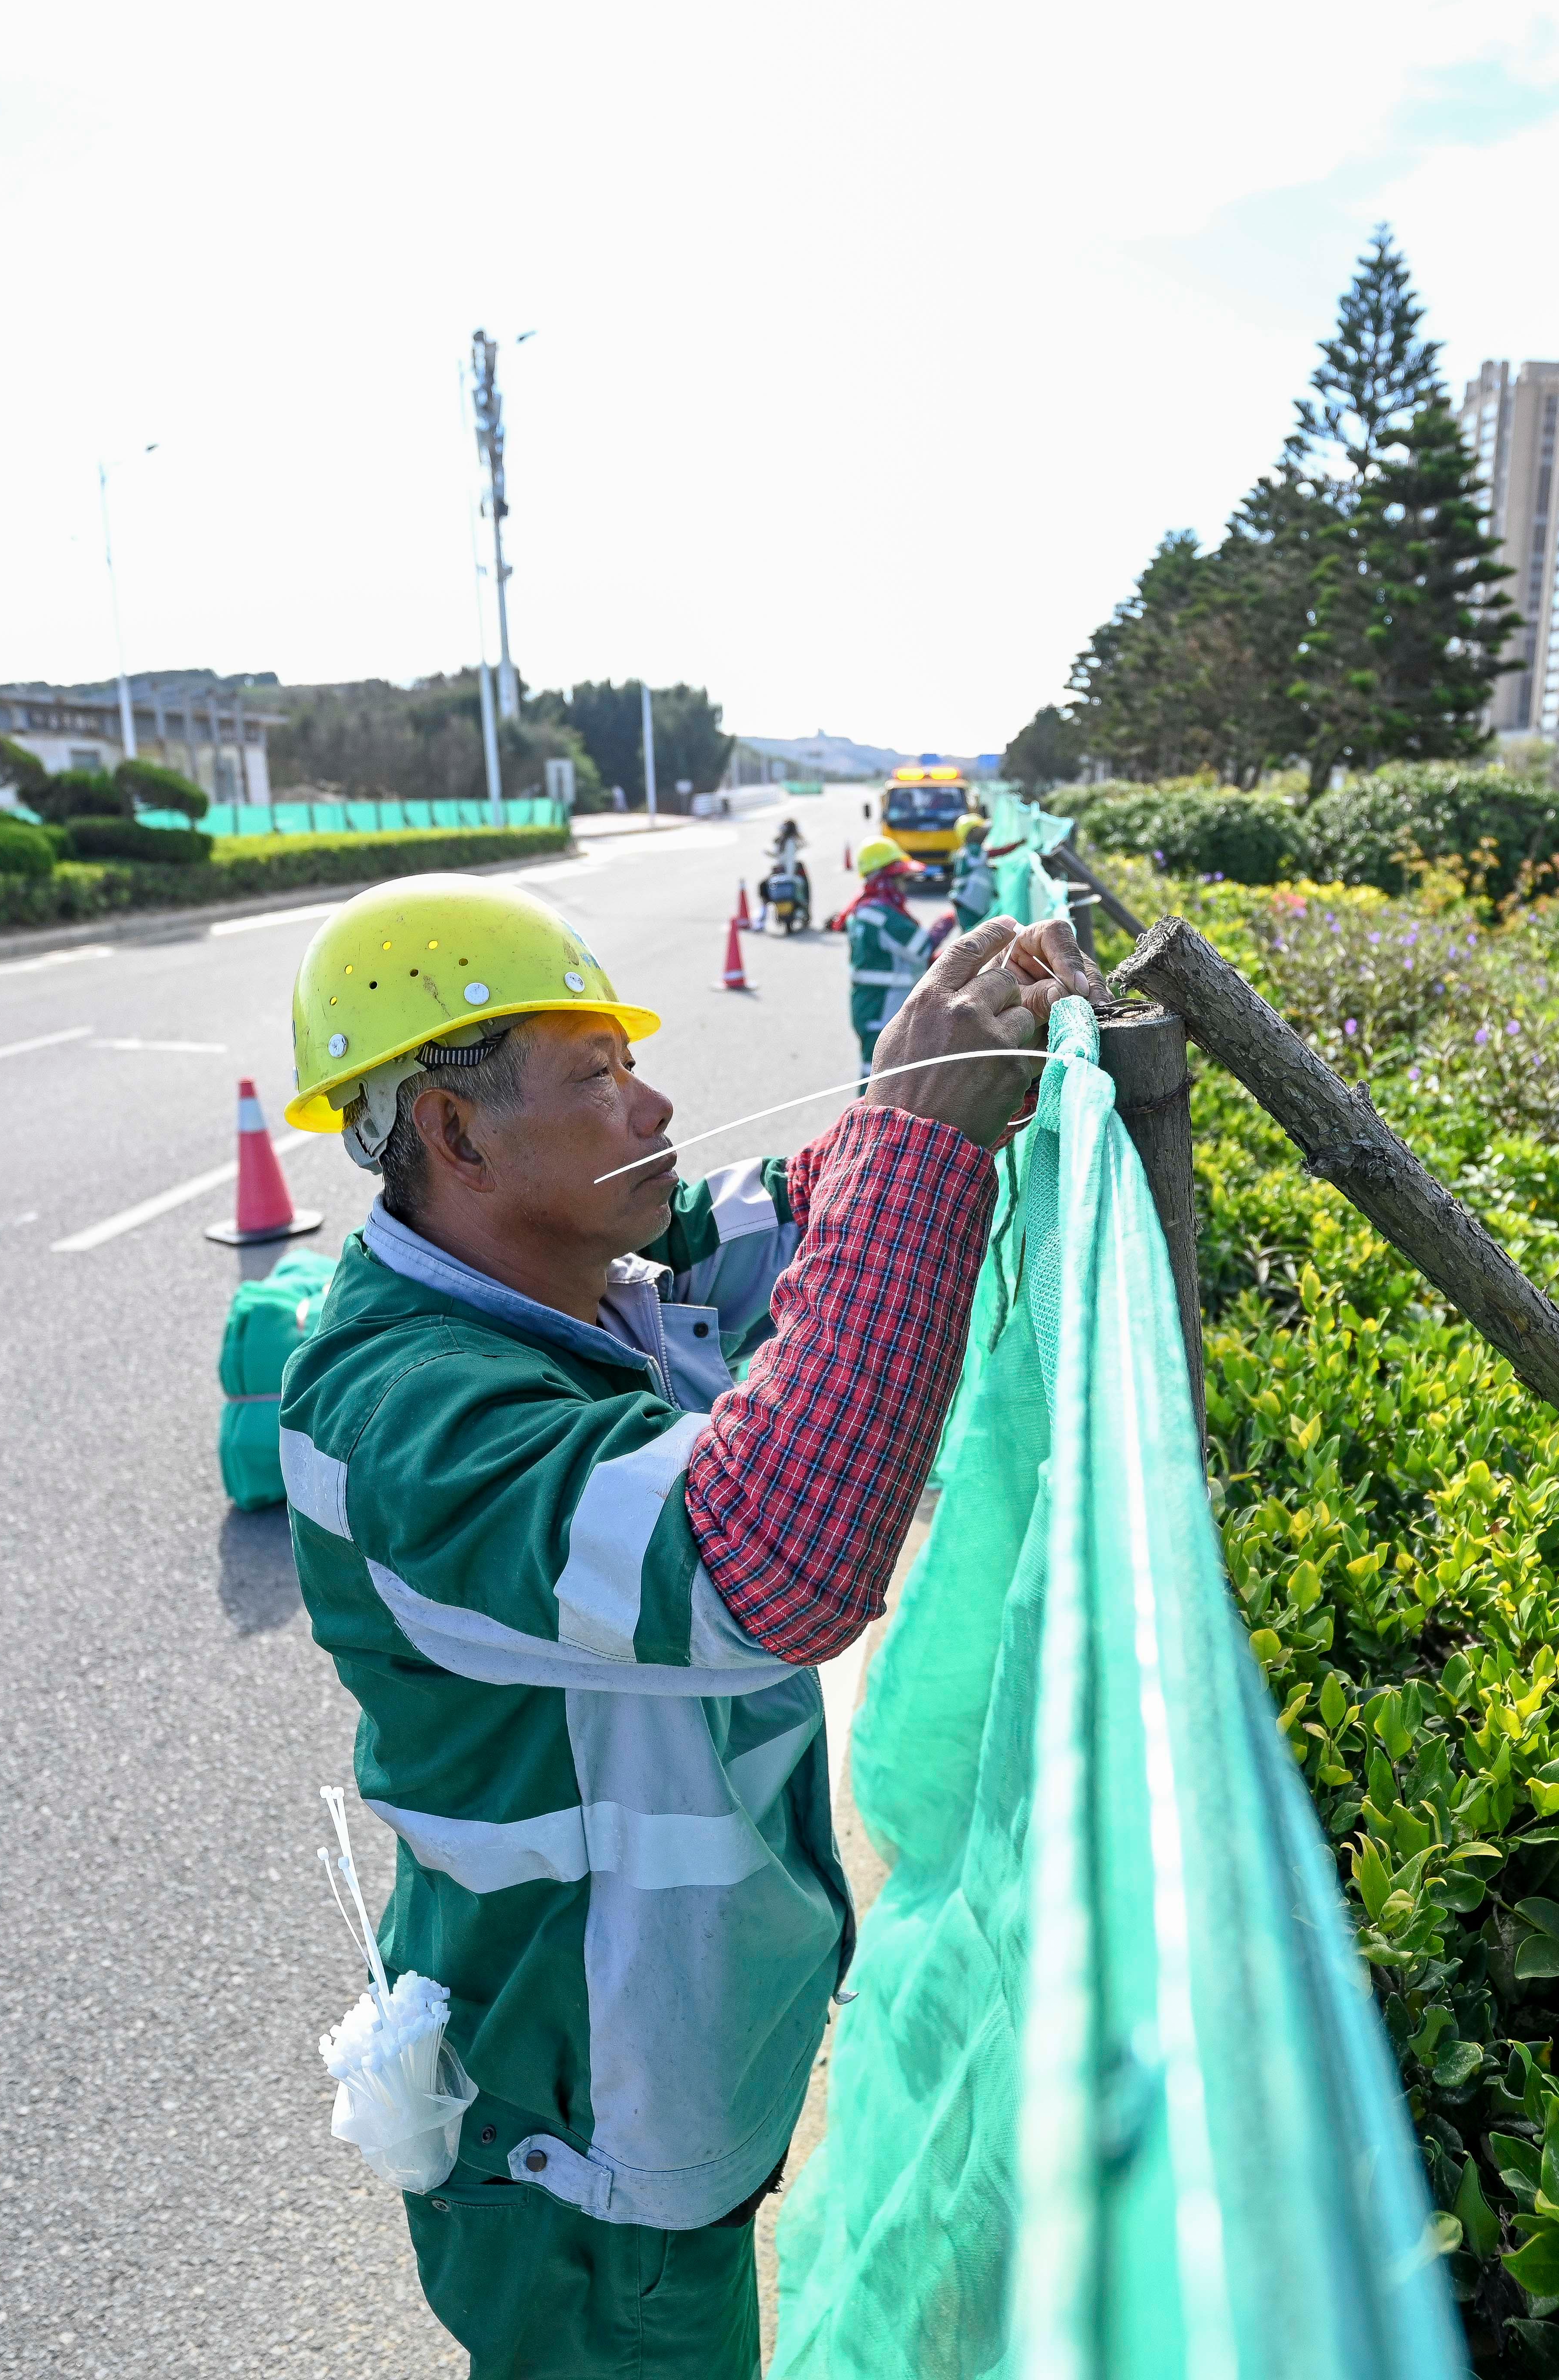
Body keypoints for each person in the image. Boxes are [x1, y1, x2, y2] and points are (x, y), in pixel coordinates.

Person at [275, 874, 1103, 2379]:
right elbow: (765, 1556)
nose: (652, 1099)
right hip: (579, 2156)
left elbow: (793, 1223)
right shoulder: (405, 1414)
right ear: (453, 1136)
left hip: (634, 2089)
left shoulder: (575, 1283)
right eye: (593, 1076)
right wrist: (915, 1137)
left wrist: (914, 1100)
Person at [839, 835, 942, 1078]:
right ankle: (866, 1116)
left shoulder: (864, 909)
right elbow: (921, 948)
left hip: (871, 1004)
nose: (904, 885)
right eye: (899, 879)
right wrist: (943, 926)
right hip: (883, 1005)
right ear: (886, 879)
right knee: (879, 1077)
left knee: (878, 1072)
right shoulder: (884, 915)